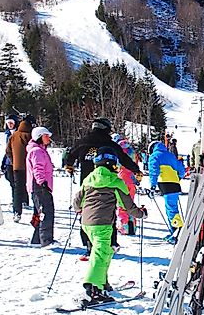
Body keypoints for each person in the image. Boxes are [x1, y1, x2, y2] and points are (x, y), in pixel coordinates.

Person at [73, 147, 147, 304]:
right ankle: (93, 289)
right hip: (103, 224)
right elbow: (128, 206)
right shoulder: (116, 182)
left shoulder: (88, 179)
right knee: (101, 254)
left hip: (87, 223)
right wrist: (141, 214)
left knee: (103, 252)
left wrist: (81, 210)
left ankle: (101, 282)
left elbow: (77, 201)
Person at [63, 117, 142, 258]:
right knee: (108, 211)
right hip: (107, 182)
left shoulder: (82, 142)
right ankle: (111, 242)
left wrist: (69, 165)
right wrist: (136, 170)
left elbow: (71, 154)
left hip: (88, 182)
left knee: (87, 212)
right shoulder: (109, 144)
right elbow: (124, 158)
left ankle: (88, 244)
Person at [147, 137, 186, 243]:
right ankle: (175, 231)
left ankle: (178, 232)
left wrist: (152, 186)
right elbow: (181, 170)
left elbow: (154, 171)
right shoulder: (171, 155)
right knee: (171, 208)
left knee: (171, 210)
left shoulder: (154, 156)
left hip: (165, 184)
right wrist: (178, 178)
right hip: (175, 184)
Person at [26, 126, 55, 247]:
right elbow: (38, 168)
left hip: (40, 185)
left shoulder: (39, 150)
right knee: (46, 212)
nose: (49, 138)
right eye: (46, 136)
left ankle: (36, 239)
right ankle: (46, 241)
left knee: (40, 212)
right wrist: (42, 182)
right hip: (39, 186)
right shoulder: (37, 151)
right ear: (39, 137)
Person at [5, 115, 33, 222]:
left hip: (17, 167)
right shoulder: (31, 136)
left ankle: (17, 212)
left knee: (17, 189)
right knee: (34, 188)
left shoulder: (14, 135)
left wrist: (13, 161)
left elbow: (7, 151)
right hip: (30, 167)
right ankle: (36, 210)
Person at [112, 133, 141, 235]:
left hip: (121, 178)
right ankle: (132, 224)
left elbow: (116, 166)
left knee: (121, 202)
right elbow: (136, 164)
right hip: (131, 179)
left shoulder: (117, 151)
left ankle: (124, 225)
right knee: (130, 202)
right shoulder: (132, 151)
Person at [1, 115, 19, 197]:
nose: (10, 125)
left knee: (18, 182)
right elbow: (7, 150)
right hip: (9, 161)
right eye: (8, 123)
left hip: (17, 161)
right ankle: (15, 198)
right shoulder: (8, 134)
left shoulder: (18, 133)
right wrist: (4, 162)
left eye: (11, 123)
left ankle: (22, 200)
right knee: (10, 180)